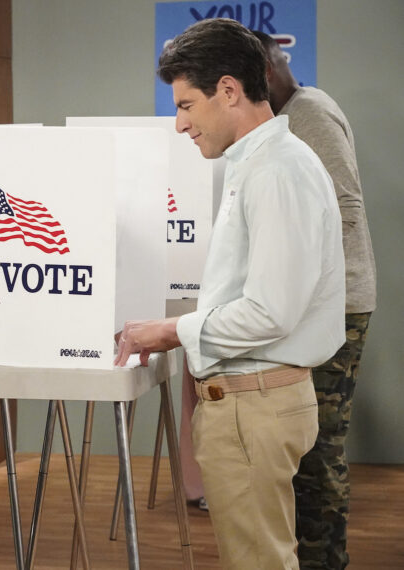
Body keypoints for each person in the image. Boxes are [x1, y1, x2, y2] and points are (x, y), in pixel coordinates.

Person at [116, 19, 346, 569]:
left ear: (228, 90)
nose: (179, 125)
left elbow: (270, 311)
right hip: (251, 404)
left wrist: (172, 329)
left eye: (186, 105)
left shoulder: (275, 172)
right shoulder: (259, 165)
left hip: (254, 407)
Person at [252, 30, 378, 569]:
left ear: (265, 73)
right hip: (327, 301)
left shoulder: (310, 115)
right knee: (308, 445)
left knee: (319, 448)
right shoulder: (295, 115)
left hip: (339, 303)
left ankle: (326, 561)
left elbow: (345, 210)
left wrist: (308, 290)